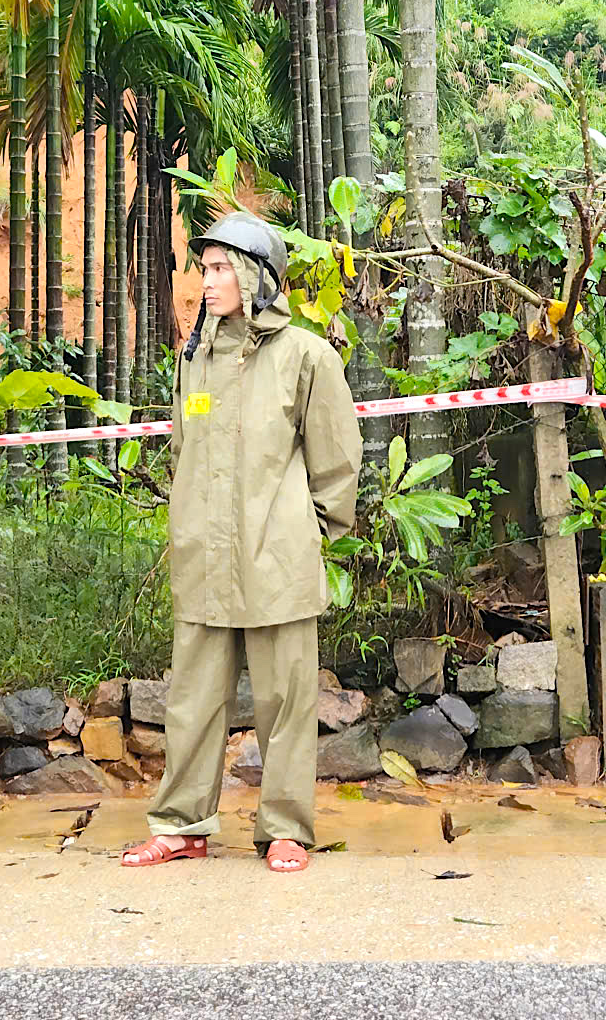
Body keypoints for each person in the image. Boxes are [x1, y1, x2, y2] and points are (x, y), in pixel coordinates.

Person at [120, 212, 361, 875]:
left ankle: (285, 828)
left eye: (223, 267)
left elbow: (338, 463)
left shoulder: (305, 357)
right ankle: (181, 826)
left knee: (286, 702)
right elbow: (182, 448)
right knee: (192, 701)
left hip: (275, 559)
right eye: (205, 267)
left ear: (259, 276)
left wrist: (307, 532)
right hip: (204, 558)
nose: (209, 280)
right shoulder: (194, 359)